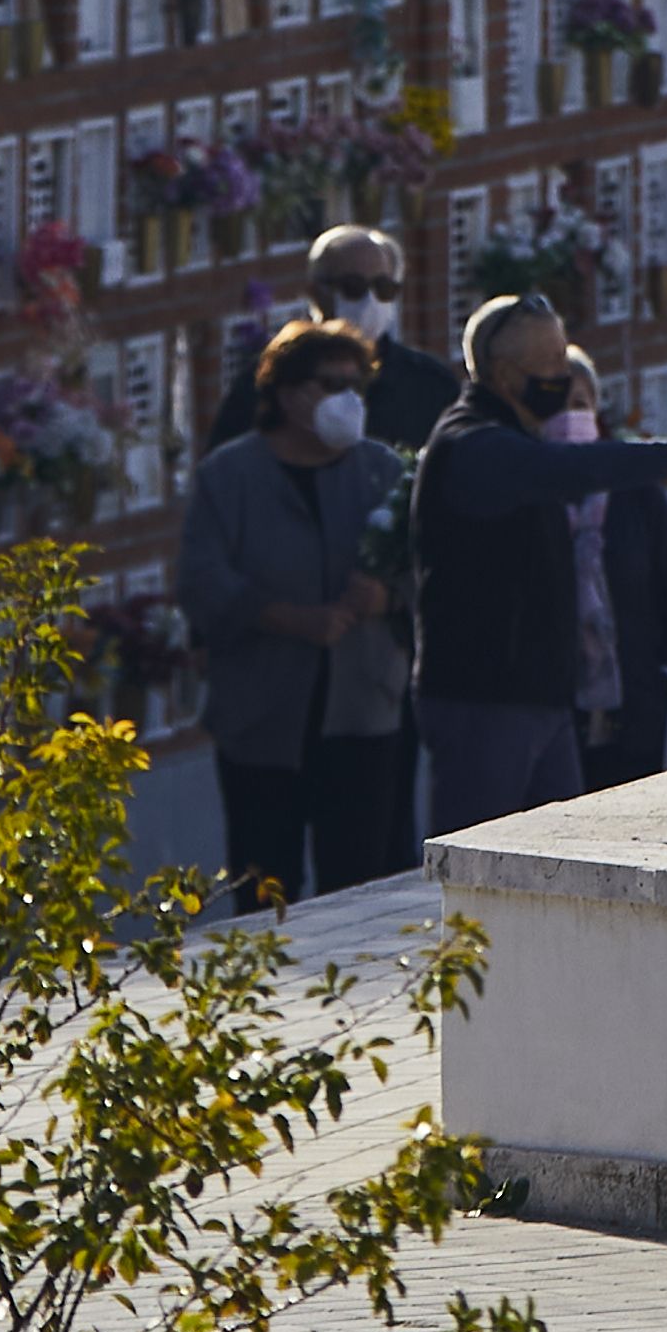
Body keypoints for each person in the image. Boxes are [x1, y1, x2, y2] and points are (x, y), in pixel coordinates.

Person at [414, 293, 667, 837]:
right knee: (481, 860)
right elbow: (574, 468)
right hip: (485, 701)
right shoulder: (473, 445)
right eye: (549, 365)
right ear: (504, 374)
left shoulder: (518, 436)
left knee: (570, 851)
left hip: (544, 696)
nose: (562, 378)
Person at [177, 319, 409, 912]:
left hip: (361, 714)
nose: (347, 398)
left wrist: (387, 599)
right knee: (264, 888)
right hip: (262, 717)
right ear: (286, 393)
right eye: (331, 384)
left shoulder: (383, 471)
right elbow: (201, 579)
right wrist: (283, 617)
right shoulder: (230, 476)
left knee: (358, 889)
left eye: (356, 385)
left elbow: (430, 569)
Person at [554, 346, 667, 792]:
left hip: (639, 724)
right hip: (556, 730)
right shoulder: (526, 498)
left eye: (579, 403)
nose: (569, 416)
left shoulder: (632, 490)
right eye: (557, 405)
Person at [201, 224, 459, 455]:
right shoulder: (268, 382)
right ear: (316, 293)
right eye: (353, 287)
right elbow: (226, 473)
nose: (370, 300)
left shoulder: (429, 384)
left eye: (383, 288)